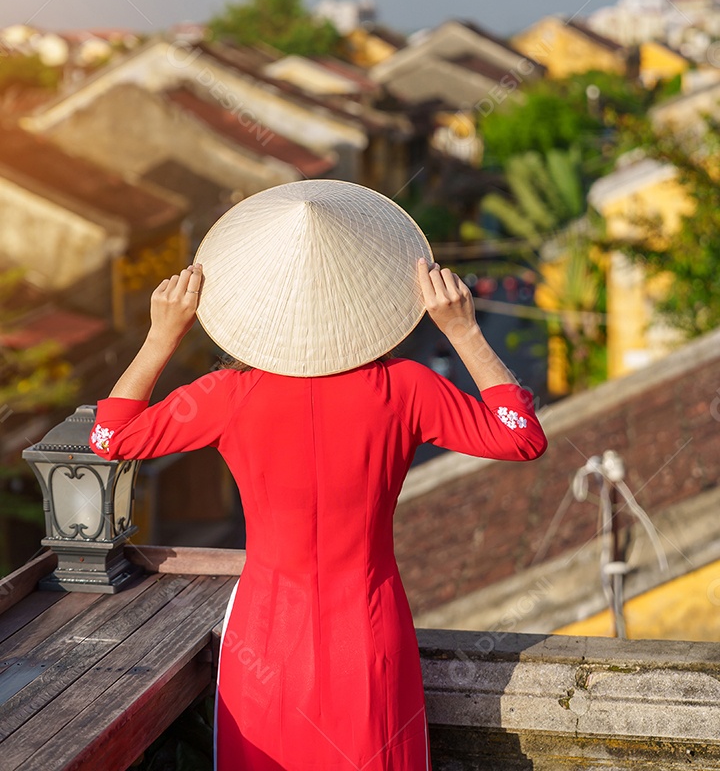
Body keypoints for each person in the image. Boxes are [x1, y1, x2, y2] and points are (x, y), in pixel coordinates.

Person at [89, 180, 547, 771]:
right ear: (367, 296)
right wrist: (464, 331)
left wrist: (160, 336)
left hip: (265, 631)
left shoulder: (227, 394)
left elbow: (109, 439)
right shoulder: (404, 387)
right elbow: (520, 436)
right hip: (369, 628)